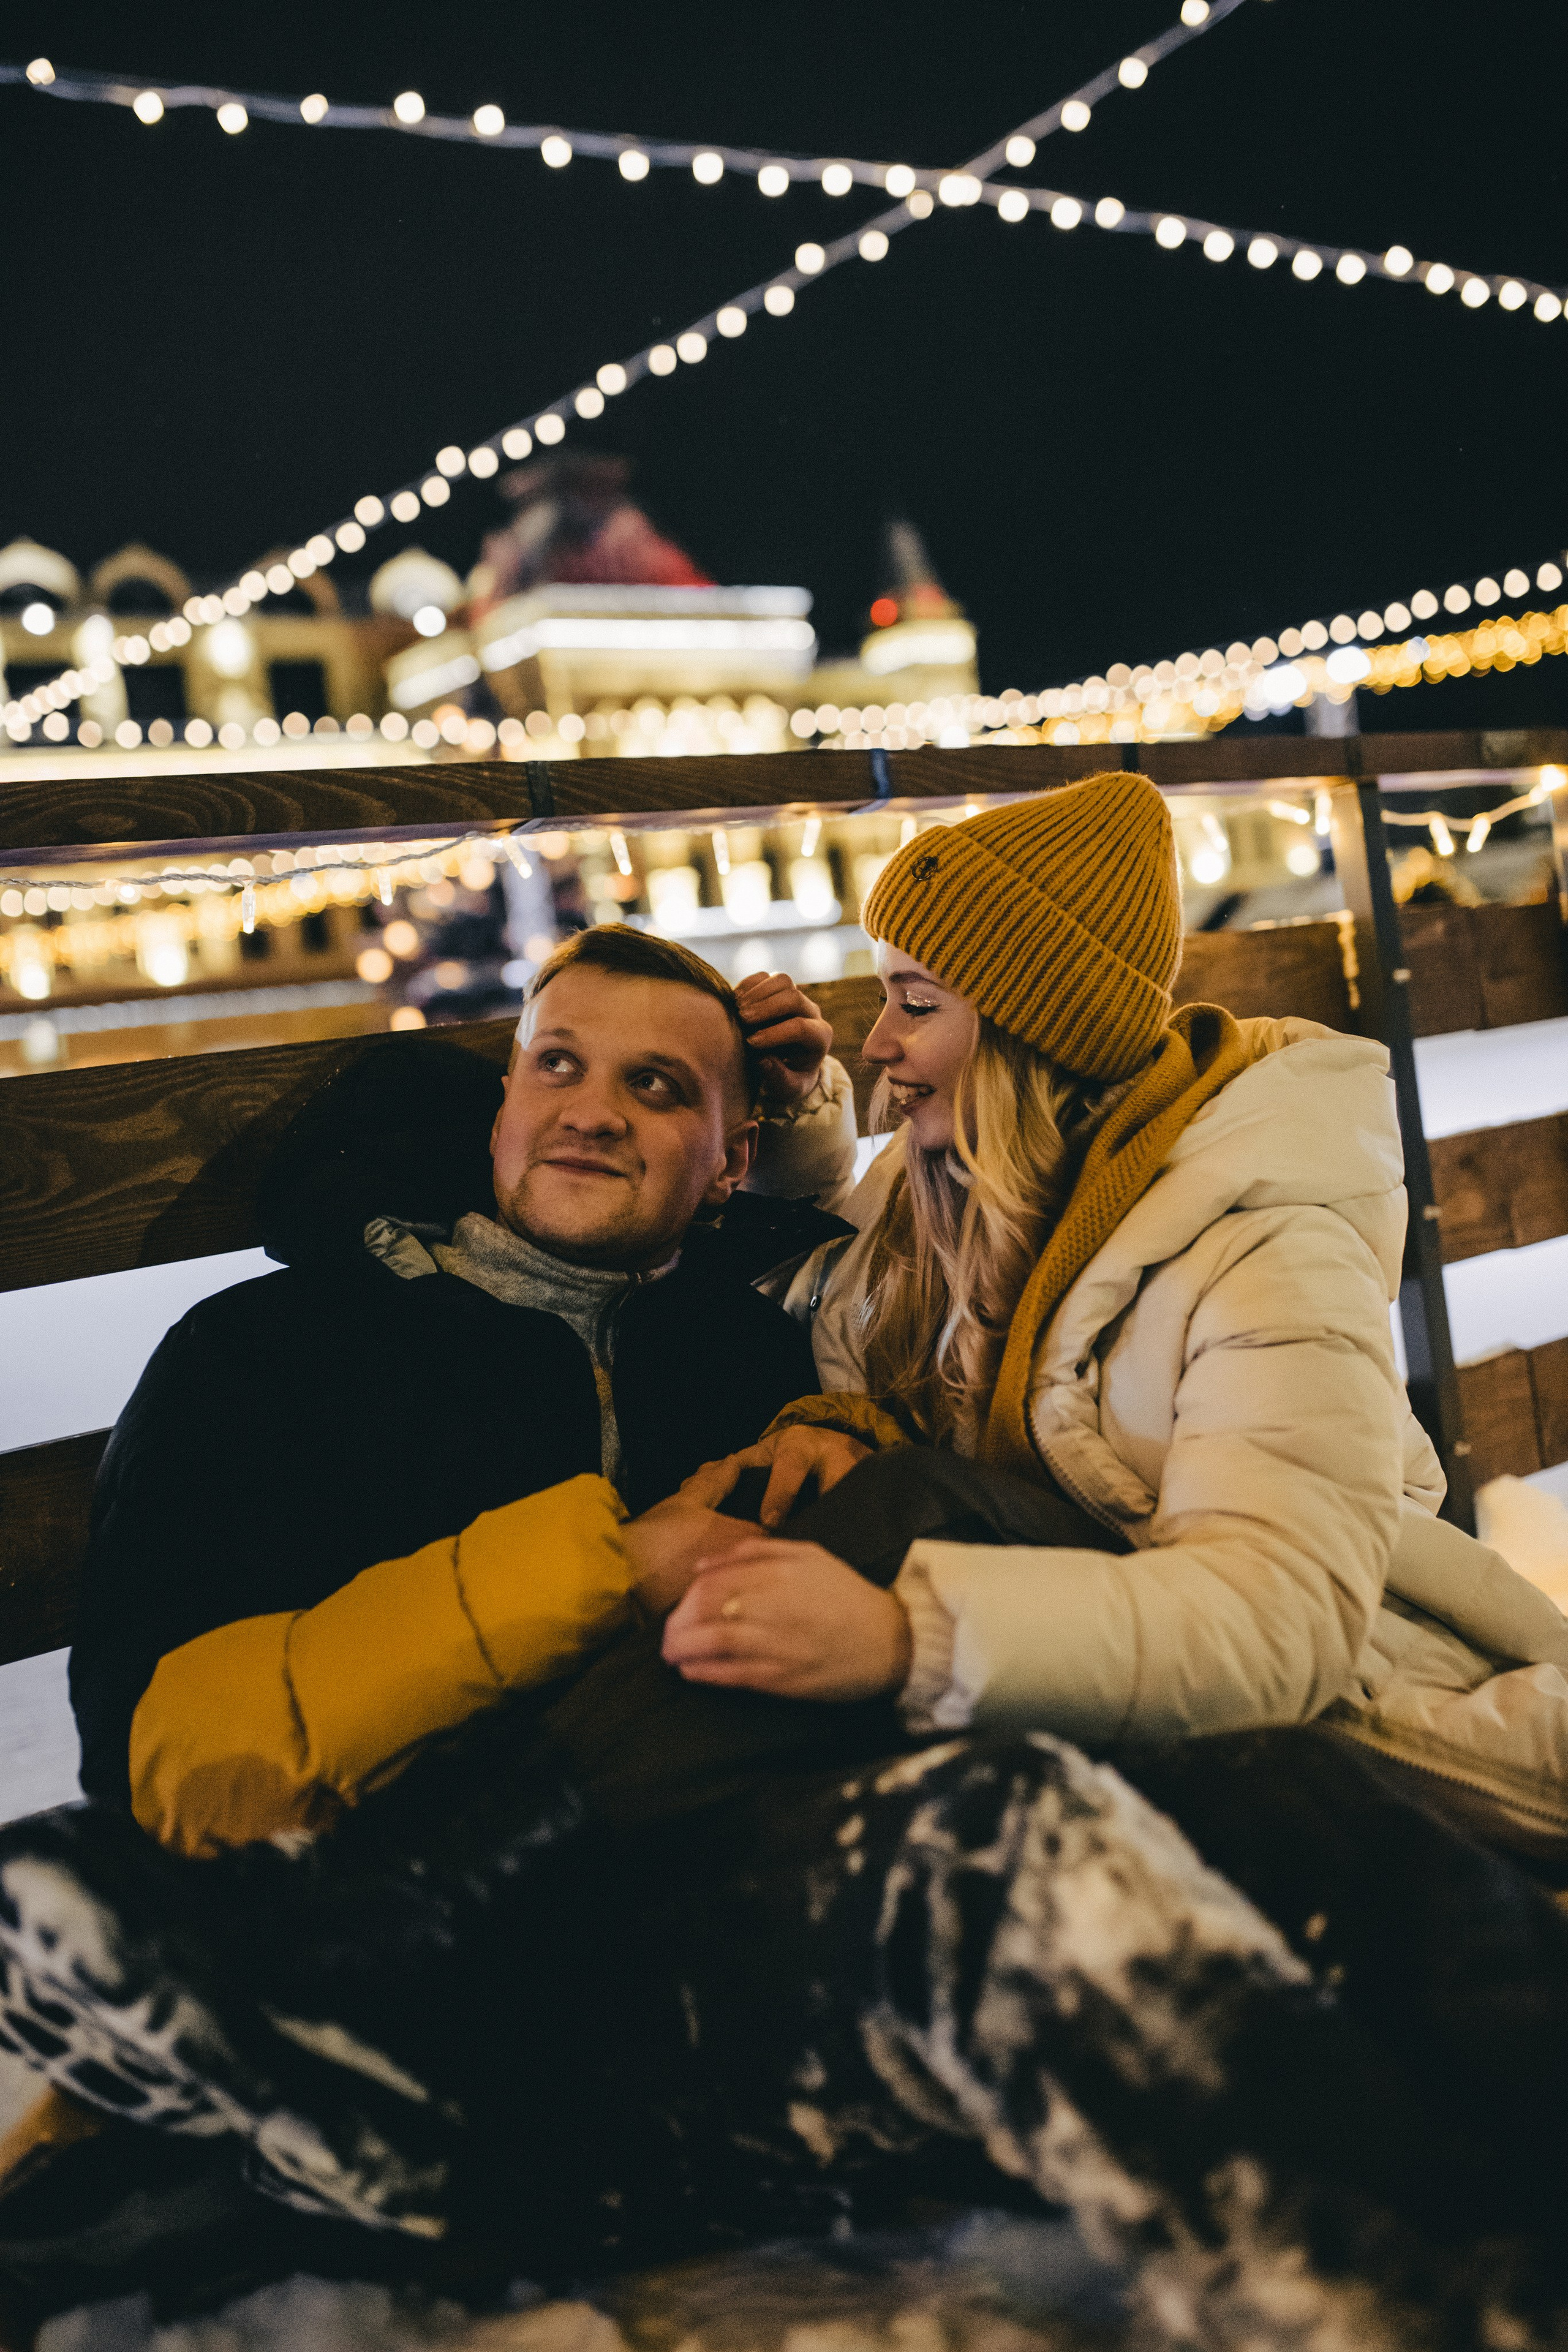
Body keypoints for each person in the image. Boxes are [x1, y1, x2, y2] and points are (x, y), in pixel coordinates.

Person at [672, 771, 1568, 1871]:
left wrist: (912, 1636)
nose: (876, 1048)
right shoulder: (956, 1193)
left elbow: (1279, 1630)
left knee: (907, 1519)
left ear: (1030, 1028)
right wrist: (838, 1413)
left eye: (917, 1004)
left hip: (1384, 1742)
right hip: (1113, 1712)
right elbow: (840, 1280)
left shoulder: (1261, 1240)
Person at [67, 924, 859, 1853]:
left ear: (731, 1162)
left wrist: (853, 1435)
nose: (591, 1114)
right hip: (383, 1905)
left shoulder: (752, 1354)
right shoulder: (268, 1348)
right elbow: (159, 1763)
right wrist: (616, 1571)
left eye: (655, 1085)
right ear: (501, 1116)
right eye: (558, 1065)